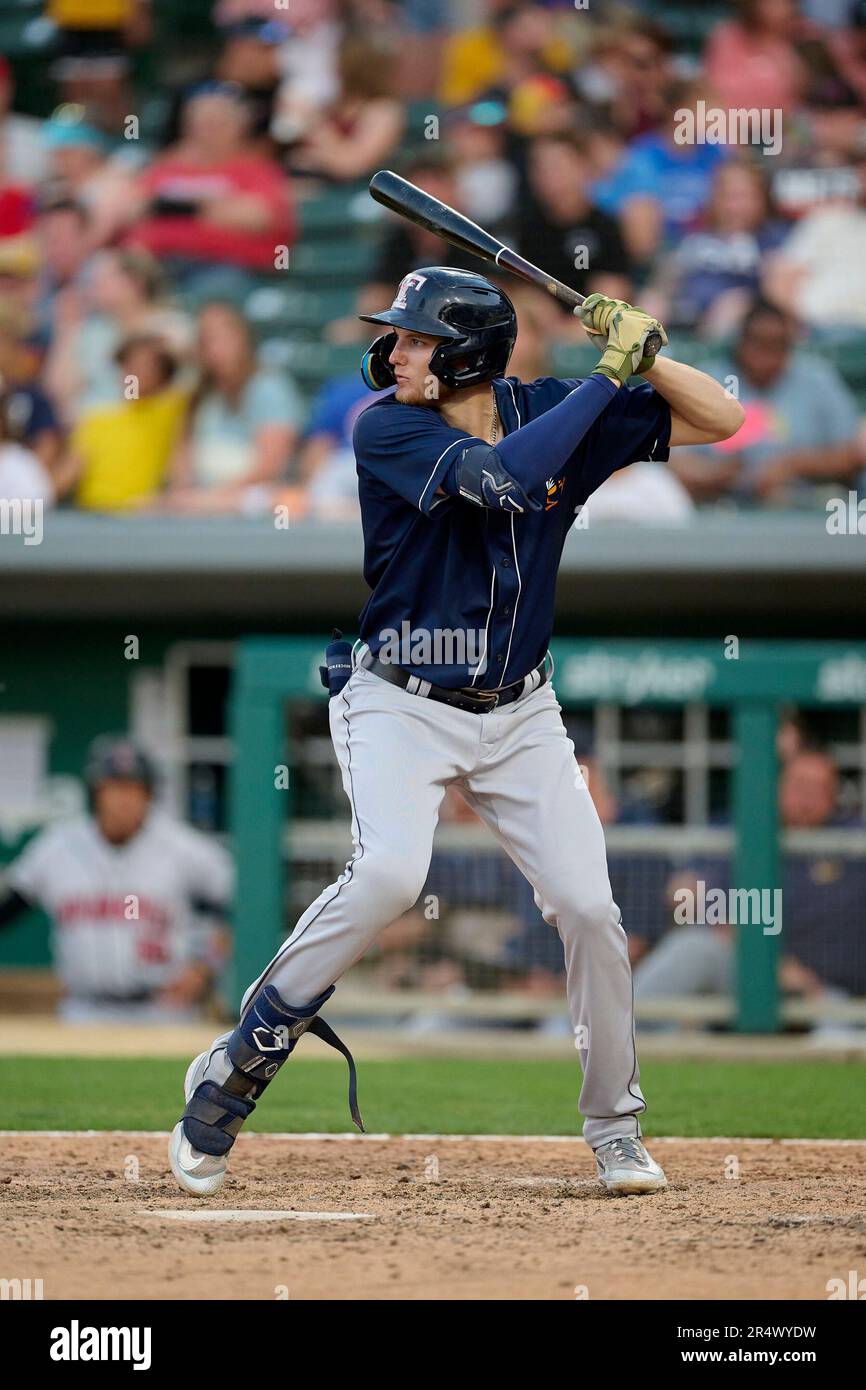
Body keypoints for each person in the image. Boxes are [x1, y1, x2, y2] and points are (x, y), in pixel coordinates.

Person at [168, 265, 744, 1199]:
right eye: (398, 335)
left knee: (591, 909)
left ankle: (615, 1128)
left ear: (468, 353)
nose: (394, 351)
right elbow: (509, 483)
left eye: (416, 338)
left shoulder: (554, 405)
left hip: (519, 711)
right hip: (397, 699)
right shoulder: (388, 428)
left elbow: (724, 421)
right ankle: (241, 1061)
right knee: (393, 872)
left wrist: (650, 350)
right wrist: (608, 374)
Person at [0, 736, 233, 1023]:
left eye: (135, 788)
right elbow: (9, 905)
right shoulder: (56, 848)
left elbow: (241, 909)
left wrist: (205, 967)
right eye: (114, 787)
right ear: (95, 793)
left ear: (149, 795)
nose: (125, 799)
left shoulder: (184, 849)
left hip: (164, 1012)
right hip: (83, 1012)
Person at [669, 299, 865, 505]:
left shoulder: (817, 380)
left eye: (777, 344)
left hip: (805, 503)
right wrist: (713, 475)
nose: (766, 355)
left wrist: (794, 465)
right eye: (758, 342)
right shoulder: (706, 378)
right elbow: (674, 460)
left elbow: (852, 455)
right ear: (740, 341)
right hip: (718, 506)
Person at [123, 83, 294, 302]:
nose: (206, 133)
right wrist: (212, 209)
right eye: (199, 125)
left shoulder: (256, 170)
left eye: (216, 124)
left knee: (209, 294)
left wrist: (182, 206)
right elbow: (134, 210)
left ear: (238, 127)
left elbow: (260, 217)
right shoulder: (165, 169)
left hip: (224, 267)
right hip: (157, 264)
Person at [163, 302, 303, 514]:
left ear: (244, 340)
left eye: (223, 338)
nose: (215, 349)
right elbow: (182, 460)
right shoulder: (198, 395)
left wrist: (213, 497)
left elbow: (271, 465)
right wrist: (184, 492)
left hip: (250, 496)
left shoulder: (269, 386)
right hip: (202, 497)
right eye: (206, 341)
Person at [56, 333, 188, 510]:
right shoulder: (96, 419)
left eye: (147, 365)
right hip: (93, 514)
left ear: (162, 372)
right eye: (129, 364)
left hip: (140, 517)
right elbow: (70, 470)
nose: (135, 371)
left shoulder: (172, 409)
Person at [516, 133, 633, 312]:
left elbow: (616, 285)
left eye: (557, 166)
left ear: (582, 167)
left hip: (591, 322)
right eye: (539, 167)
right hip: (540, 324)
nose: (547, 175)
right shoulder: (524, 226)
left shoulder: (605, 226)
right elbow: (520, 287)